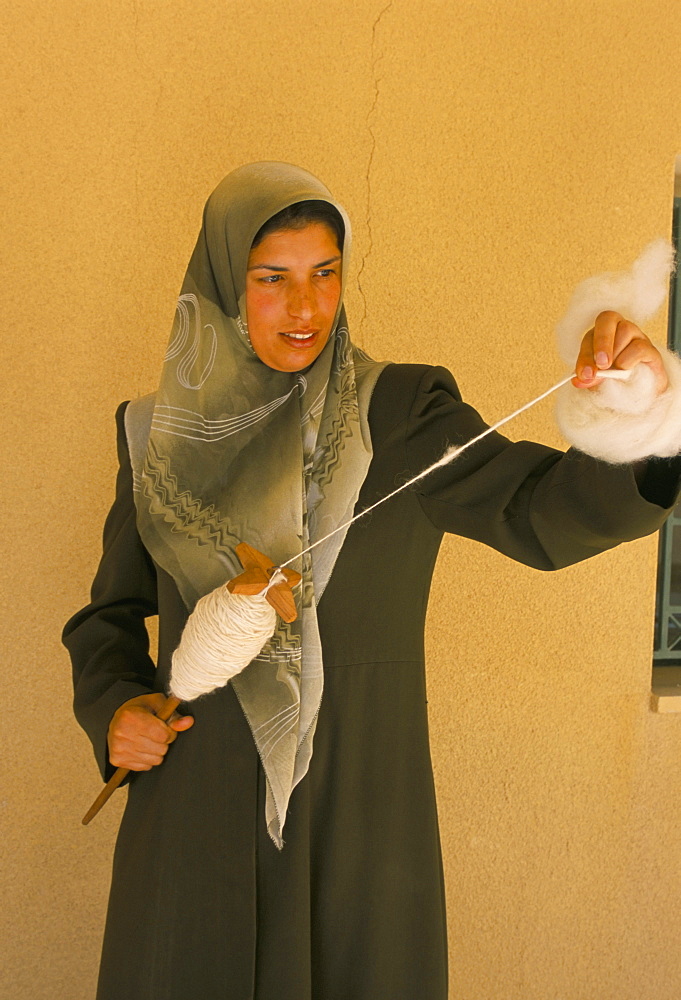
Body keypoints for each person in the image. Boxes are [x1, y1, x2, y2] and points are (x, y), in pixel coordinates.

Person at [63, 161, 681, 1000]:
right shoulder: (153, 437)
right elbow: (107, 618)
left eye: (325, 273)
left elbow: (538, 515)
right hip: (192, 820)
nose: (306, 306)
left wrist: (643, 418)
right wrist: (116, 710)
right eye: (271, 279)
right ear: (219, 283)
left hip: (353, 814)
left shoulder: (397, 413)